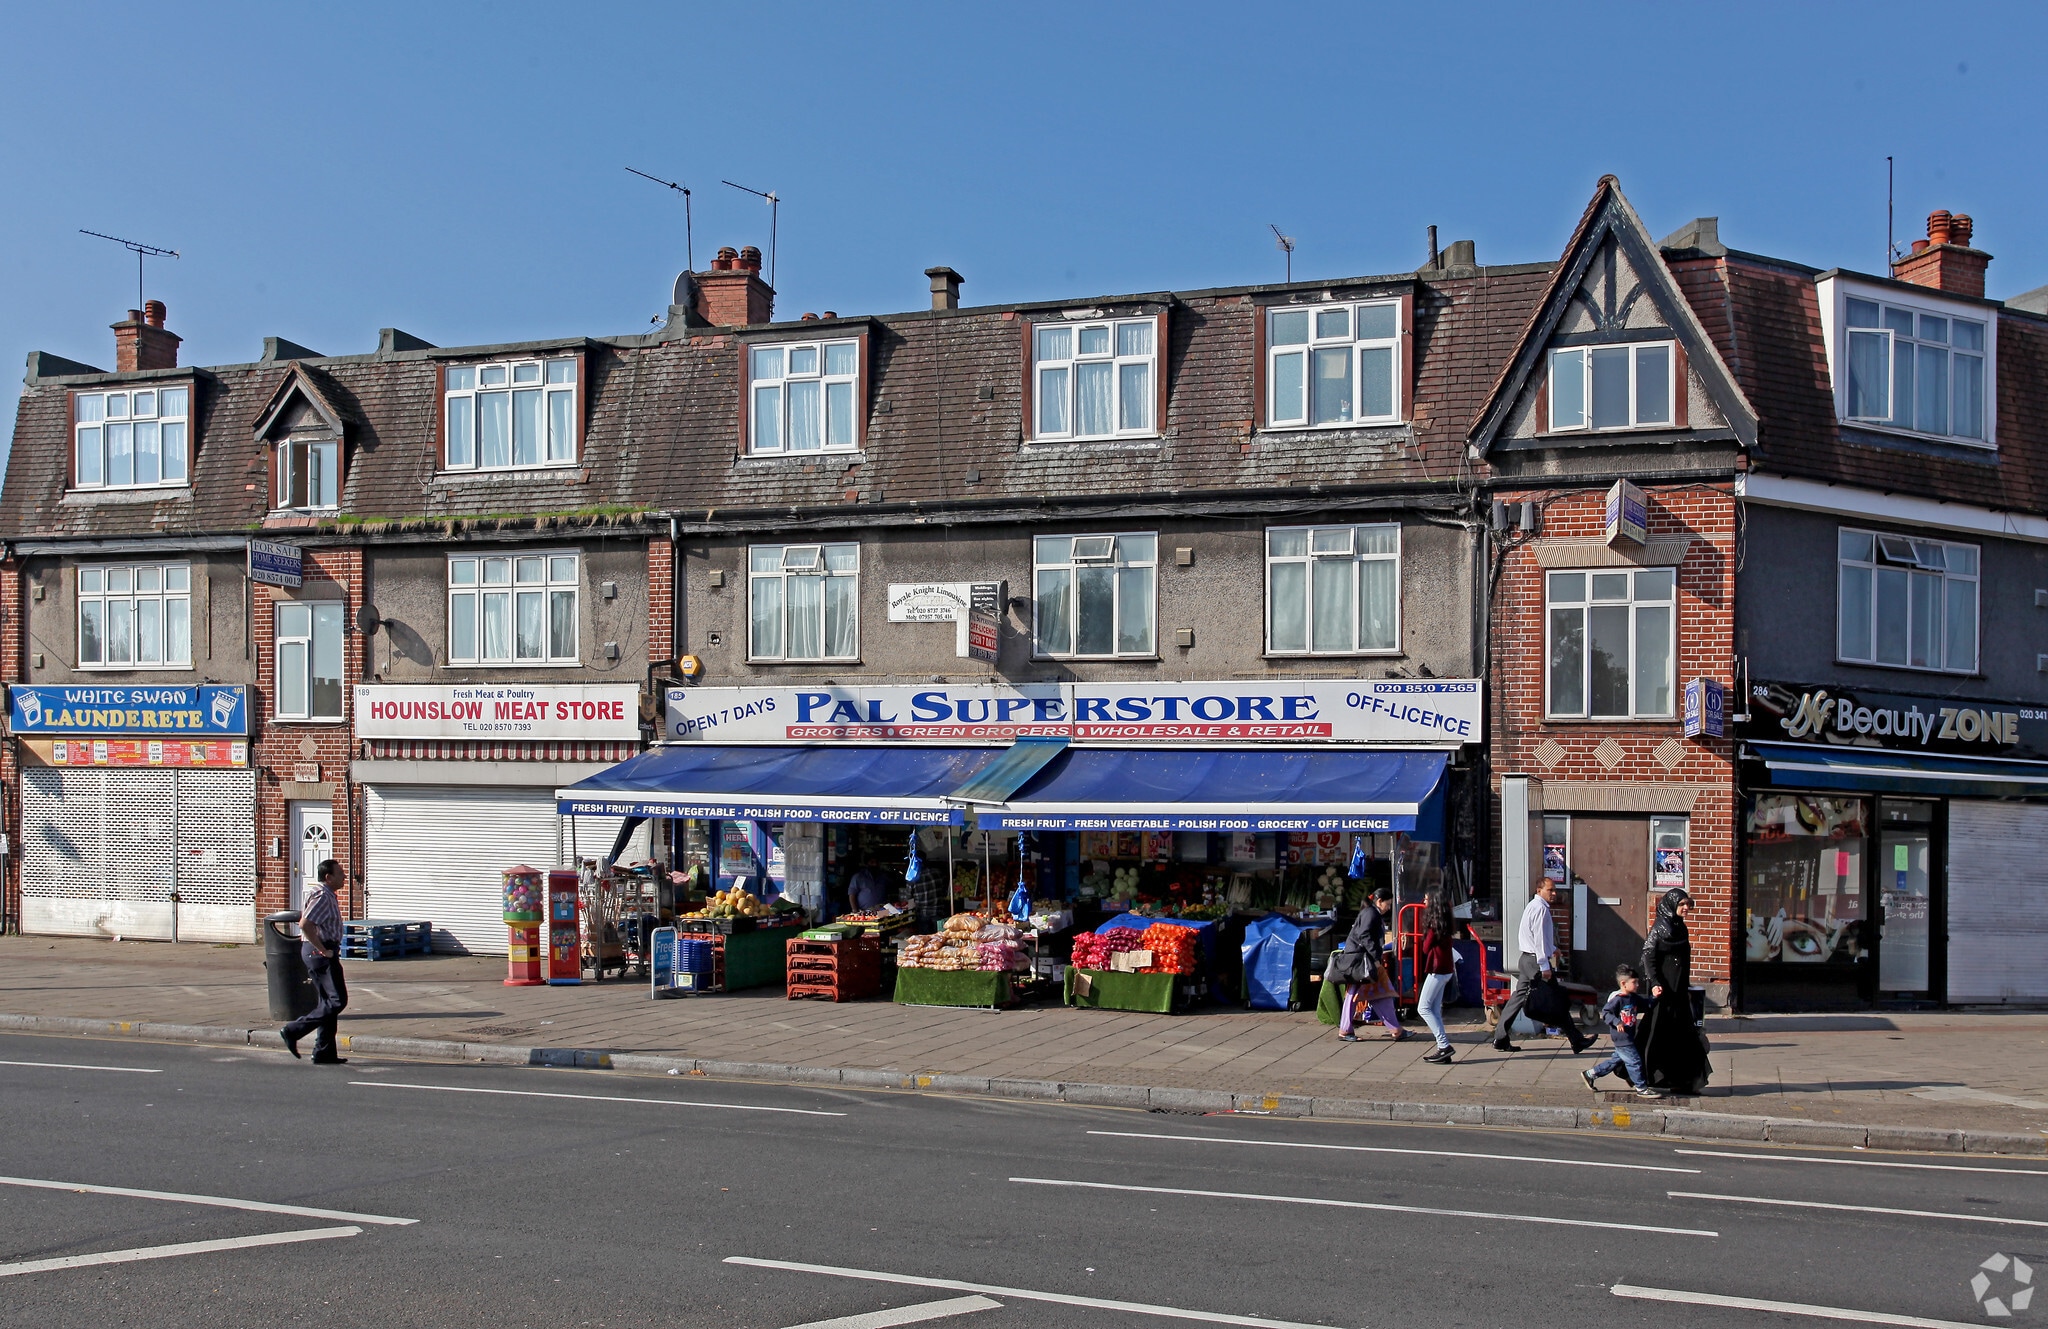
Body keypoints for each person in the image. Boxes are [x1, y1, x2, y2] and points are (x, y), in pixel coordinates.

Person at [1492, 876, 1593, 1054]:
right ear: (1539, 891)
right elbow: (1538, 940)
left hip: (1526, 959)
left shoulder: (1533, 906)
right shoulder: (1540, 909)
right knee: (1557, 999)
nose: (1554, 893)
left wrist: (1553, 948)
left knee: (1517, 999)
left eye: (1554, 890)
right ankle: (1576, 1040)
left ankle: (1500, 1037)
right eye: (1550, 890)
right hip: (1535, 962)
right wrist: (1545, 965)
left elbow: (1537, 937)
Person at [1638, 887, 1711, 1094]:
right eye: (1682, 904)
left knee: (1682, 1036)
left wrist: (1685, 987)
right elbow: (1648, 955)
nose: (1686, 908)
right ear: (1671, 905)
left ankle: (1683, 1080)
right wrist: (1654, 982)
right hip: (1664, 991)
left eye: (1688, 904)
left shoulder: (1680, 927)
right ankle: (1642, 1075)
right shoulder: (1660, 927)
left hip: (1678, 991)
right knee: (1655, 1033)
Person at [280, 858, 349, 1065]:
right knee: (337, 1000)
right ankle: (293, 1030)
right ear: (328, 877)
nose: (344, 876)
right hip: (320, 953)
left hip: (322, 951)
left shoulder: (327, 894)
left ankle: (324, 1051)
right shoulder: (322, 895)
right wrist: (323, 950)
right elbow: (306, 924)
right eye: (340, 873)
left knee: (327, 1002)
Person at [1337, 886, 1405, 1043]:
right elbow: (1364, 934)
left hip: (1362, 960)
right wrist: (1375, 956)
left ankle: (1396, 1029)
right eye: (1387, 904)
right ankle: (1345, 1030)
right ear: (1379, 901)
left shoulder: (1370, 912)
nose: (1388, 908)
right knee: (1359, 994)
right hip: (1361, 961)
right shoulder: (1370, 913)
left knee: (1379, 993)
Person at [1584, 964, 1662, 1099]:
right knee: (1635, 1061)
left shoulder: (1633, 997)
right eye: (1634, 982)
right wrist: (1617, 1022)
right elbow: (1606, 1013)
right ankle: (1641, 1087)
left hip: (1629, 1036)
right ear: (1623, 983)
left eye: (1638, 982)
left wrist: (1654, 997)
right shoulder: (1618, 999)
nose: (1637, 985)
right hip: (1621, 1037)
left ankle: (1590, 1074)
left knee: (1616, 1061)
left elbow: (1645, 1005)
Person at [1414, 892, 1459, 1063]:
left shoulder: (1433, 924)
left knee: (1423, 1008)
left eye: (1426, 898)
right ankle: (1442, 1049)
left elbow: (1425, 948)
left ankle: (1444, 1045)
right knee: (1434, 1009)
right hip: (1446, 969)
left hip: (1437, 969)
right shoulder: (1445, 921)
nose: (1423, 901)